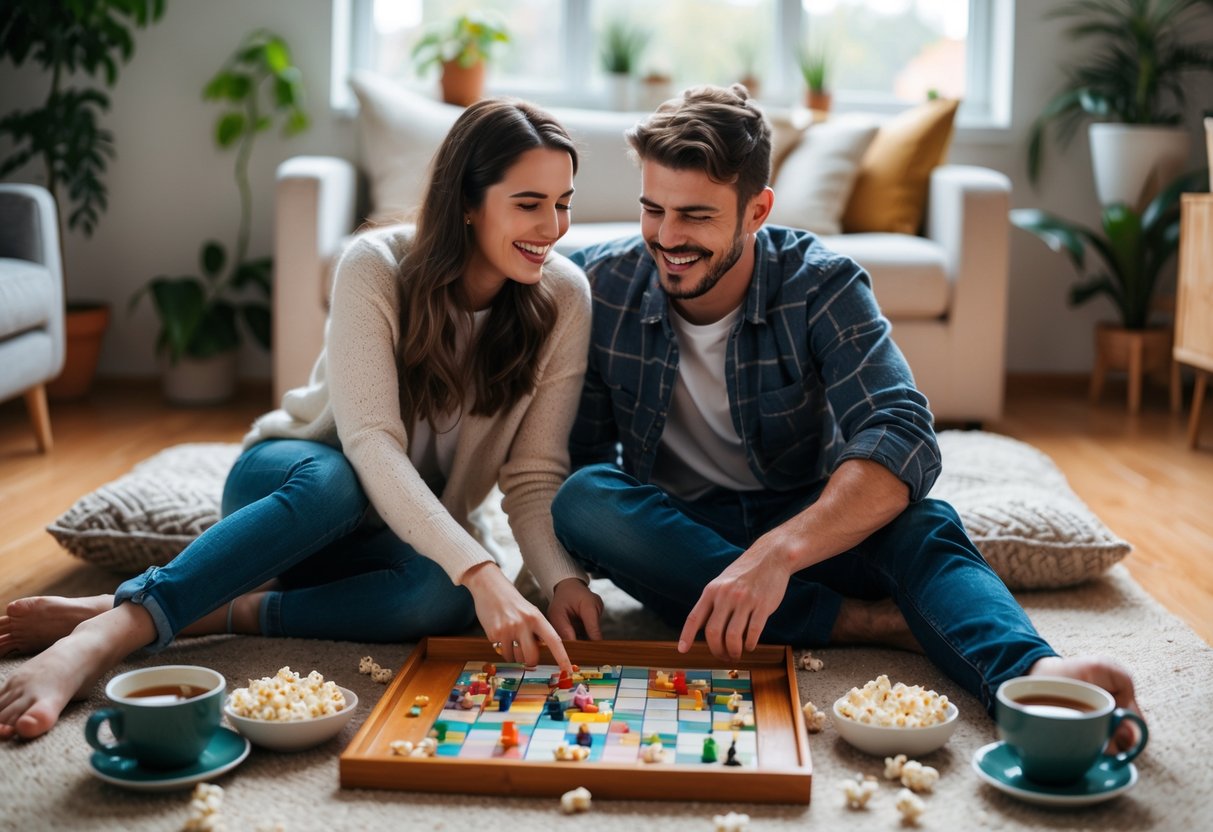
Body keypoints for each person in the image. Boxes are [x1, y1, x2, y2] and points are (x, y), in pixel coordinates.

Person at [0, 97, 605, 741]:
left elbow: (534, 476)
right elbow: (371, 445)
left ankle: (213, 609)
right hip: (297, 484)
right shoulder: (375, 264)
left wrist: (563, 578)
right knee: (344, 485)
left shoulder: (564, 296)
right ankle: (107, 632)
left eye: (564, 202)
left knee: (445, 598)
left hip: (395, 534)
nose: (554, 227)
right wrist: (485, 572)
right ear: (466, 200)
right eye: (529, 202)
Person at [548, 84, 1141, 739]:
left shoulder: (820, 282)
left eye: (695, 215)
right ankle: (865, 623)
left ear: (756, 211)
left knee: (923, 523)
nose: (667, 237)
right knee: (583, 498)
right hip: (684, 533)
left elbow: (901, 432)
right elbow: (587, 459)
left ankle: (1035, 680)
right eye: (652, 209)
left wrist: (776, 556)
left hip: (807, 525)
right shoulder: (600, 285)